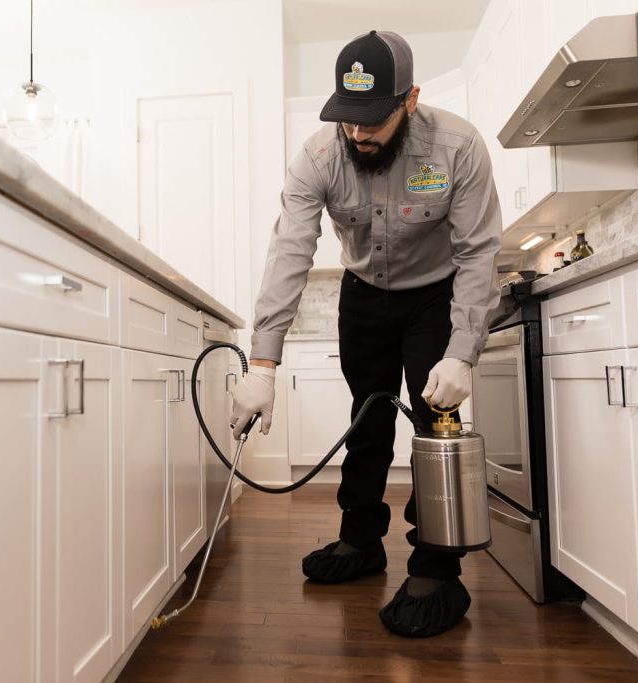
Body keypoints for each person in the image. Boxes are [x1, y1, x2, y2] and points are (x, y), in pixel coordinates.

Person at [230, 29, 501, 638]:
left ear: (410, 99)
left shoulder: (457, 147)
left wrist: (463, 352)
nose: (358, 133)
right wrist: (262, 364)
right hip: (364, 298)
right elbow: (289, 252)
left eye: (373, 119)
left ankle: (437, 567)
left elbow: (479, 251)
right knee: (367, 419)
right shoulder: (318, 157)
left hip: (435, 294)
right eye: (348, 118)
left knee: (436, 424)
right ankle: (361, 540)